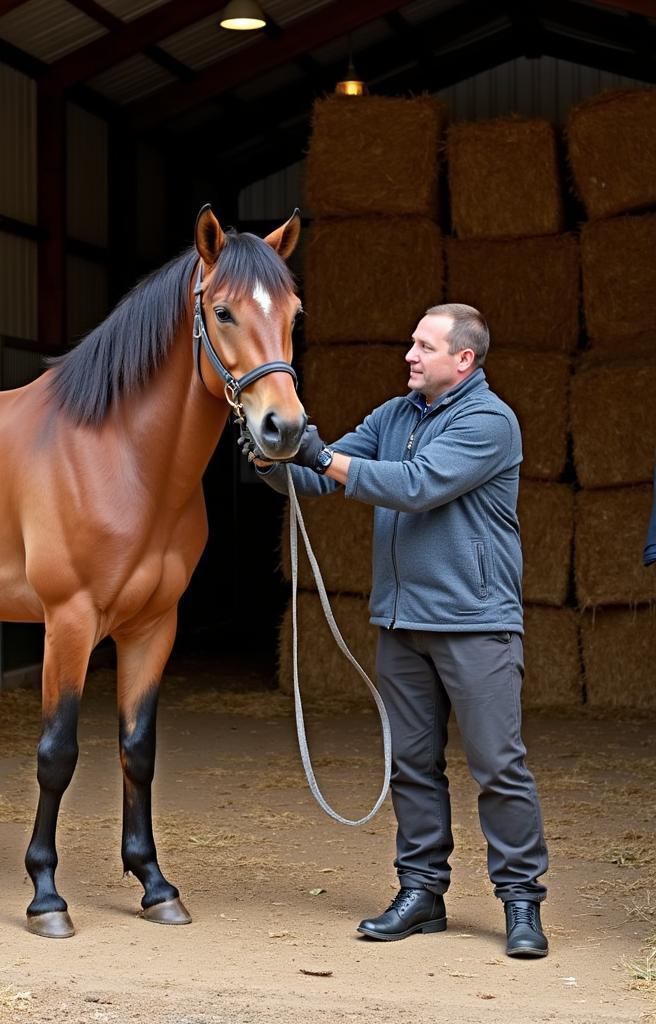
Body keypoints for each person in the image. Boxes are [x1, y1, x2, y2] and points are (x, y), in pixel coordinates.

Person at [246, 303, 549, 959]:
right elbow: (317, 479)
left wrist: (319, 456)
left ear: (463, 360)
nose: (409, 355)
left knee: (498, 765)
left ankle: (521, 903)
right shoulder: (392, 417)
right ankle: (421, 894)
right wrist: (272, 460)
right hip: (400, 624)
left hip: (474, 625)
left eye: (423, 346)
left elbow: (415, 487)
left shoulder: (489, 422)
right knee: (412, 766)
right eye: (411, 342)